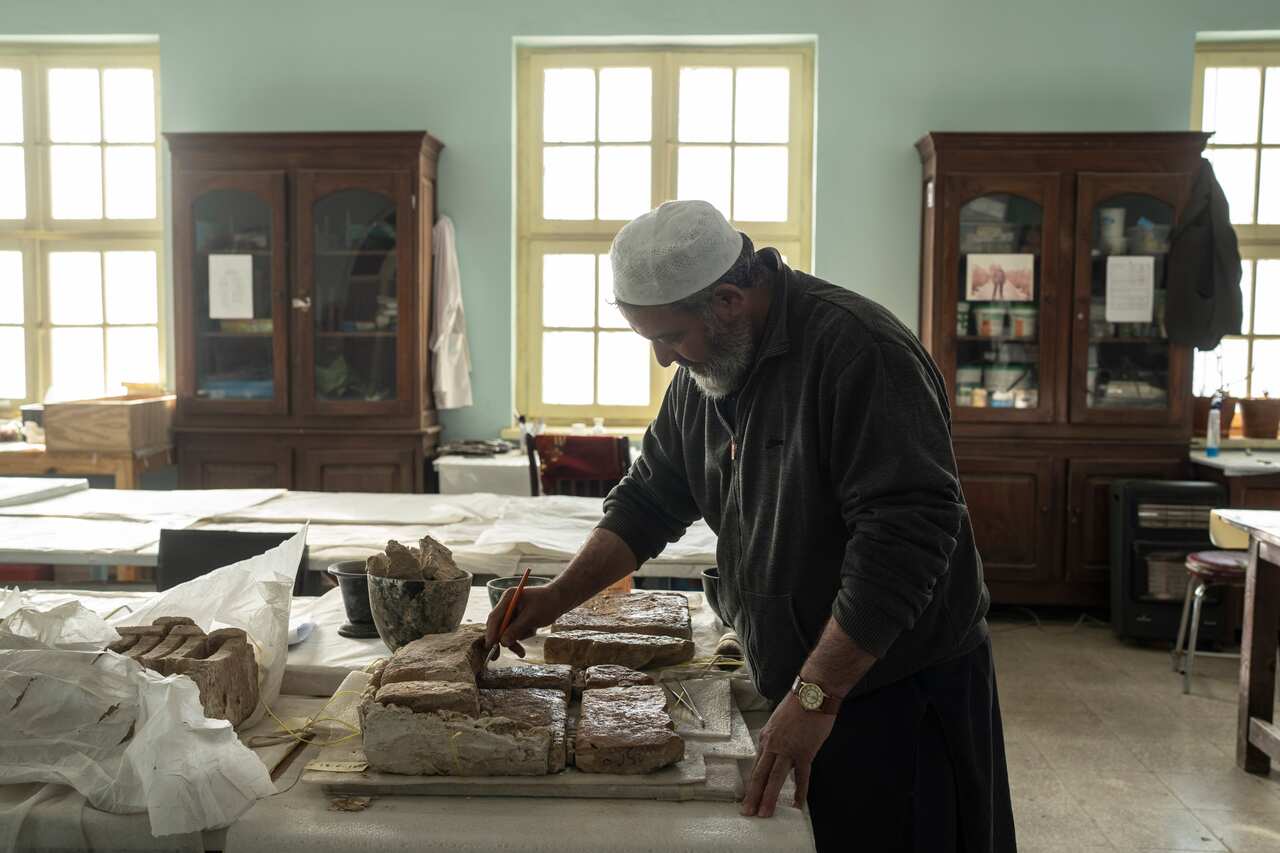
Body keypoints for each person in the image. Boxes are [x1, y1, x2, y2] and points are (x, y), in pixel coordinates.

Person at [486, 199, 1016, 852]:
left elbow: (904, 541)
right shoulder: (705, 372)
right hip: (809, 678)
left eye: (669, 337)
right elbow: (649, 500)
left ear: (730, 300)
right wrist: (555, 598)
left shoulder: (859, 351)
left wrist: (816, 696)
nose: (663, 359)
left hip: (896, 689)